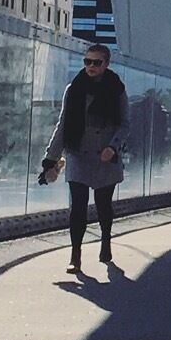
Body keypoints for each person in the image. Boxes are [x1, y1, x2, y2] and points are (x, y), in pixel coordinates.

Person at [44, 42, 129, 275]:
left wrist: (112, 147)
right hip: (78, 153)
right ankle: (75, 256)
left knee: (104, 207)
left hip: (105, 156)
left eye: (96, 62)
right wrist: (50, 158)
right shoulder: (74, 89)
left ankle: (105, 241)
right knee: (77, 208)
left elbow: (125, 124)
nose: (91, 66)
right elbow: (63, 125)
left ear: (106, 64)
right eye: (87, 61)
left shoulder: (116, 89)